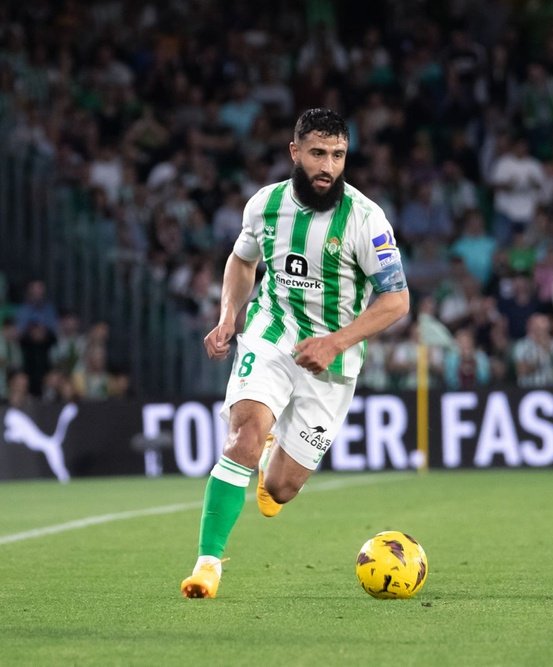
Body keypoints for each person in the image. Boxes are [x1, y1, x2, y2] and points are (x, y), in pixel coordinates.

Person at [180, 109, 410, 598]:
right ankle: (207, 565)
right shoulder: (265, 205)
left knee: (282, 488)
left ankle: (272, 461)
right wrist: (228, 316)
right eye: (318, 153)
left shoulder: (366, 220)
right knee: (242, 437)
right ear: (295, 152)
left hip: (333, 361)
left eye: (338, 155)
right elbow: (242, 262)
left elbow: (396, 300)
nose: (328, 165)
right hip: (271, 334)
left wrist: (336, 341)